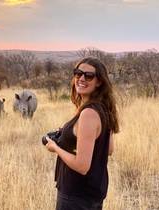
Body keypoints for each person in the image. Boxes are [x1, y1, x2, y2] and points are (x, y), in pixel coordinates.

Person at [45, 57, 120, 210]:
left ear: (99, 82)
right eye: (78, 74)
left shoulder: (88, 114)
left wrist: (56, 147)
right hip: (91, 193)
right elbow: (109, 149)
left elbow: (82, 166)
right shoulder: (103, 109)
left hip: (76, 194)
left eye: (89, 76)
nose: (82, 78)